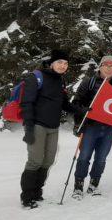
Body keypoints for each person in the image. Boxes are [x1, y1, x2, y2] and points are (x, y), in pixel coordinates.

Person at [19, 49, 86, 209]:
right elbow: (27, 104)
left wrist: (82, 110)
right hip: (37, 125)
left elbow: (64, 104)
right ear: (51, 63)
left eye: (65, 63)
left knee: (48, 160)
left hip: (53, 127)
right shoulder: (35, 77)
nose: (63, 66)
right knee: (35, 161)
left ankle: (37, 192)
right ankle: (27, 197)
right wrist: (28, 129)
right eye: (59, 62)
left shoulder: (59, 80)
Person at [71, 55, 112, 198]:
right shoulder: (90, 82)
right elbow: (76, 102)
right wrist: (79, 120)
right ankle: (78, 185)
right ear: (100, 66)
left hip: (108, 128)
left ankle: (94, 184)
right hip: (90, 127)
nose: (109, 68)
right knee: (84, 157)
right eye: (106, 65)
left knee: (101, 158)